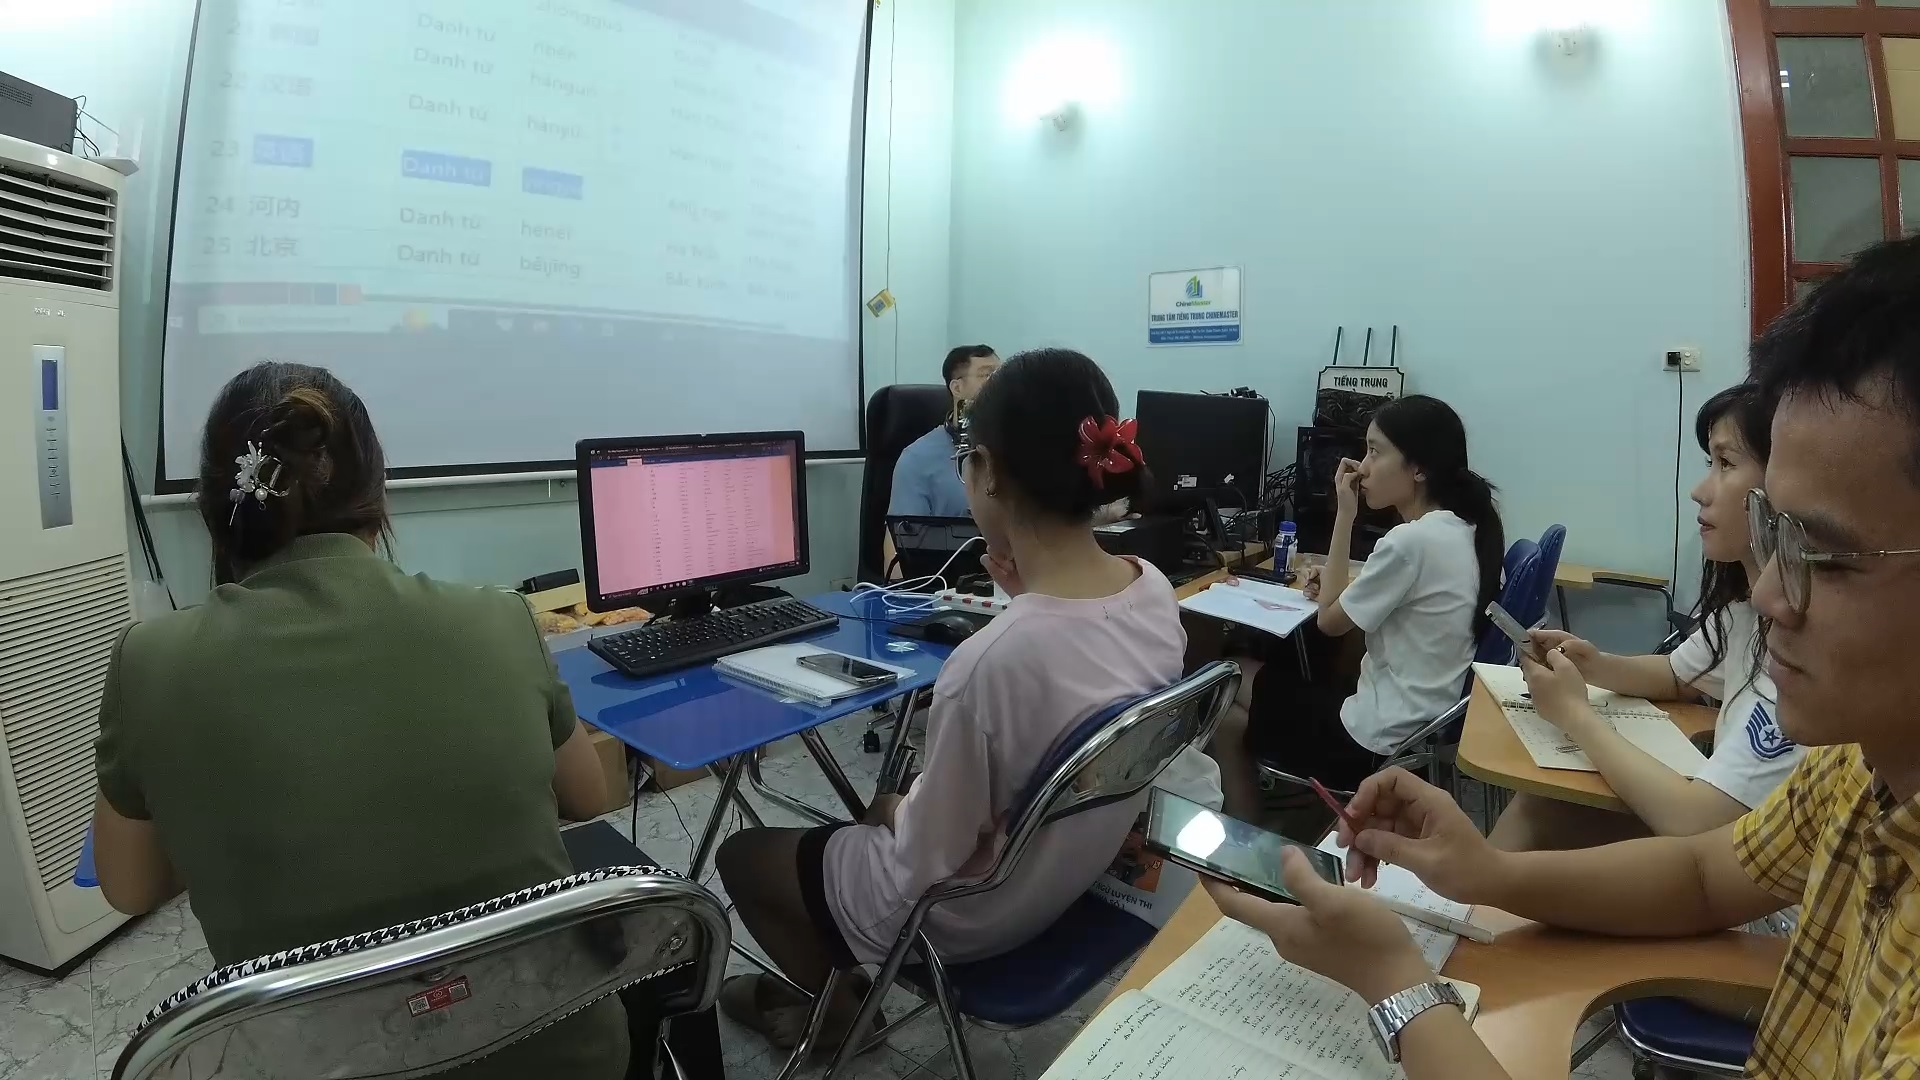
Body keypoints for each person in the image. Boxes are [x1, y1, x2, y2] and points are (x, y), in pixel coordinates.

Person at [1204, 234, 1920, 1079]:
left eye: (1826, 558)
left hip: (1391, 732)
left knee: (1242, 691)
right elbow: (1703, 872)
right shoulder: (1856, 769)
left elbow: (1330, 623)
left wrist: (1394, 983)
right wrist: (1484, 871)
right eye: (1775, 534)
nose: (1767, 596)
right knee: (1535, 828)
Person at [90, 363, 627, 1079]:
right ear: (379, 493)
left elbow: (129, 887)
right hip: (562, 1054)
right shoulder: (499, 618)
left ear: (213, 507)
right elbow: (591, 795)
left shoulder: (150, 663)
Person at [716, 348, 1222, 1052]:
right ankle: (838, 990)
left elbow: (928, 858)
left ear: (984, 470)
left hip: (971, 914)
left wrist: (896, 810)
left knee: (745, 857)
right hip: (1074, 874)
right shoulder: (1152, 588)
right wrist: (1028, 600)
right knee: (871, 820)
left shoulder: (989, 663)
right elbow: (1075, 673)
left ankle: (837, 1020)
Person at [1491, 383, 1803, 849]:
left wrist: (1574, 713)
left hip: (1739, 866)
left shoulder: (1802, 654)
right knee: (1541, 807)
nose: (1699, 491)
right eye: (1709, 463)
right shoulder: (1743, 612)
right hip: (1724, 841)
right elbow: (1678, 675)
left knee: (1537, 824)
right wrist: (1594, 664)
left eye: (1726, 463)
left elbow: (1697, 825)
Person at [1209, 395, 1505, 815]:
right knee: (1257, 696)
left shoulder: (1410, 542)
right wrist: (1342, 586)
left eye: (1375, 451)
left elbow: (1329, 622)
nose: (1362, 467)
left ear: (1419, 469)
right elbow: (1353, 602)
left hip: (1373, 739)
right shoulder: (1463, 529)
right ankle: (1260, 819)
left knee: (1228, 681)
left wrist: (1344, 513)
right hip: (1419, 726)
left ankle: (1247, 833)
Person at [887, 344, 999, 518]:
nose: (999, 382)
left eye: (1002, 374)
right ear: (957, 388)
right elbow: (902, 534)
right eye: (987, 375)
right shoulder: (918, 458)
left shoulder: (1020, 449)